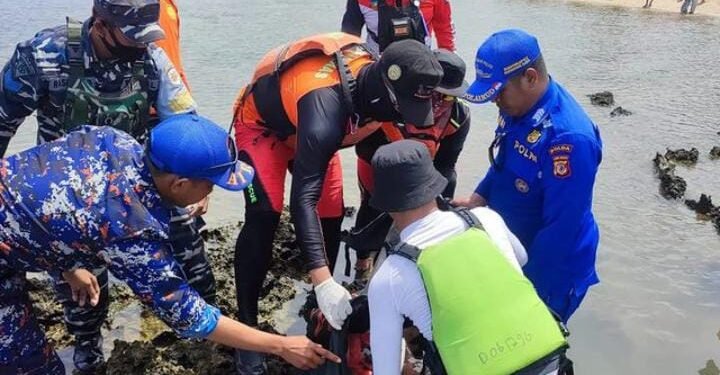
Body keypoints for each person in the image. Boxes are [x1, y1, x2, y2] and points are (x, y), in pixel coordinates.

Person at [0, 115, 341, 374]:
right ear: (179, 184)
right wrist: (280, 345)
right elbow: (189, 317)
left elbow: (50, 195)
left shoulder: (116, 142)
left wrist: (67, 262)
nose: (211, 193)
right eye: (210, 185)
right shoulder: (130, 226)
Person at [0, 0, 214, 371]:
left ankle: (210, 331)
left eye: (146, 37)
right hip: (70, 196)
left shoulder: (152, 61)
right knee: (82, 284)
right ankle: (88, 348)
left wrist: (199, 180)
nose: (140, 46)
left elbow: (184, 121)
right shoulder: (45, 56)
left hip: (140, 184)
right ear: (100, 25)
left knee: (192, 256)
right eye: (132, 37)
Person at [231, 34, 442, 373]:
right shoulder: (325, 107)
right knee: (264, 217)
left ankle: (318, 311)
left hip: (313, 136)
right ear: (384, 91)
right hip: (264, 129)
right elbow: (303, 198)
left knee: (332, 215)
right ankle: (247, 327)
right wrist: (324, 280)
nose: (405, 115)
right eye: (401, 107)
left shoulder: (379, 92)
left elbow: (416, 176)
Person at [367, 140, 570, 375]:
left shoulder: (389, 276)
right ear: (434, 186)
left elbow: (385, 371)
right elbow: (520, 259)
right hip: (551, 363)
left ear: (385, 204)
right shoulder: (486, 218)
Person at [459, 28, 603, 323]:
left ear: (531, 78)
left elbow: (561, 229)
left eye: (498, 92)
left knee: (531, 352)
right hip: (514, 247)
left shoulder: (568, 139)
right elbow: (504, 159)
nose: (494, 101)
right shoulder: (520, 106)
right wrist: (480, 196)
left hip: (551, 272)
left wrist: (526, 292)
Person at [350, 48, 470, 286]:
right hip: (379, 166)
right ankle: (363, 263)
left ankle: (427, 259)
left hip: (425, 172)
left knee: (446, 190)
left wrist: (429, 201)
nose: (440, 103)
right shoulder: (391, 104)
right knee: (372, 209)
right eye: (436, 94)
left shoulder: (458, 118)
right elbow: (363, 148)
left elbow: (447, 164)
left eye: (449, 97)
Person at [341, 0, 455, 54]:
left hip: (421, 60)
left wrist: (449, 66)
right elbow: (349, 39)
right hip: (375, 62)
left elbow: (444, 29)